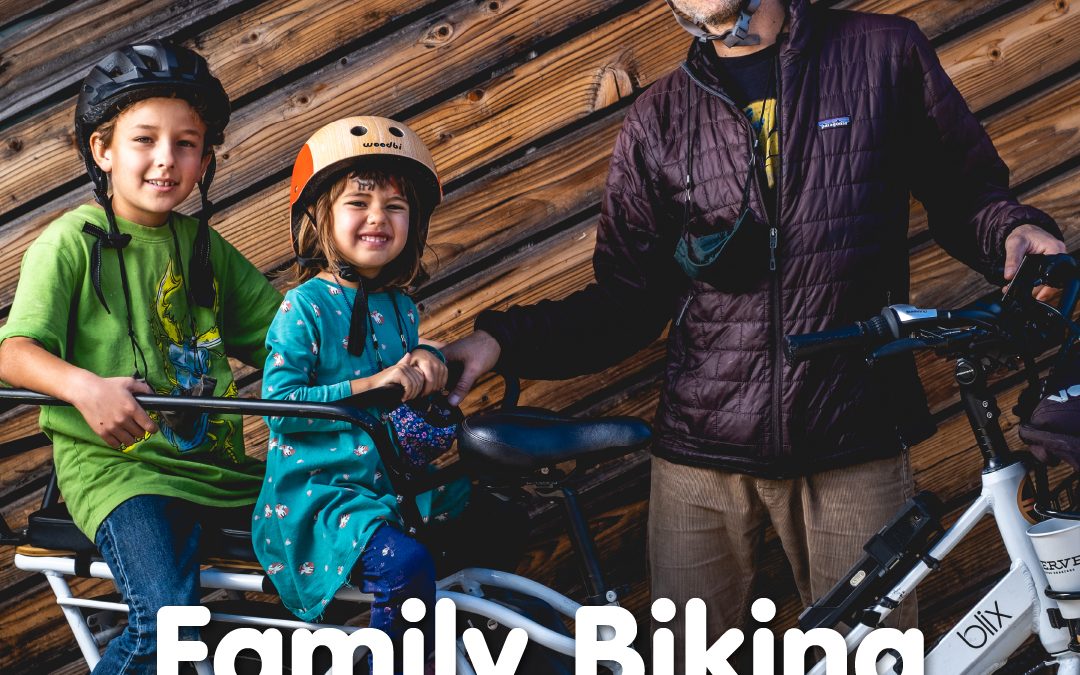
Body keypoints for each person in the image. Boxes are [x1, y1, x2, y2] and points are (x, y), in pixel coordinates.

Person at [442, 0, 1065, 667]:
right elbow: (625, 301)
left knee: (869, 664)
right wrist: (502, 340)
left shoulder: (881, 53)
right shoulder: (660, 117)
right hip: (699, 465)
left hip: (853, 436)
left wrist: (1011, 231)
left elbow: (962, 188)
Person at [0, 42, 283, 673]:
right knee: (166, 626)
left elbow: (286, 342)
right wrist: (83, 388)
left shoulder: (204, 247)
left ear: (206, 159)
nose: (166, 160)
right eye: (144, 139)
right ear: (102, 150)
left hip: (217, 470)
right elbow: (13, 352)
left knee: (327, 542)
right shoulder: (70, 242)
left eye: (186, 144)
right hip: (121, 474)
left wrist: (400, 358)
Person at [252, 116, 526, 673]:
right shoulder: (302, 307)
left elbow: (401, 371)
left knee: (499, 519)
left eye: (396, 207)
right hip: (323, 494)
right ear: (319, 218)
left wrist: (426, 360)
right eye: (358, 203)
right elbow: (280, 411)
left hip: (392, 484)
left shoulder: (401, 308)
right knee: (401, 565)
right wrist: (370, 387)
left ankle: (479, 648)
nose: (378, 218)